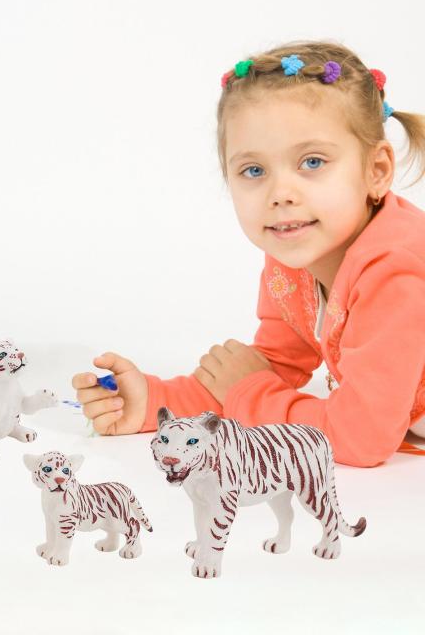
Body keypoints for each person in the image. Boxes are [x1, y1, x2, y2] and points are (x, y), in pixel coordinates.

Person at [73, 41, 425, 467]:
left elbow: (361, 438)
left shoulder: (395, 270)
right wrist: (156, 403)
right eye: (254, 170)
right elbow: (271, 367)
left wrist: (251, 391)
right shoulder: (295, 254)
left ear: (377, 171)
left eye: (312, 162)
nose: (281, 194)